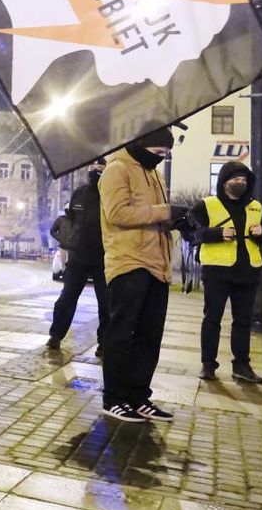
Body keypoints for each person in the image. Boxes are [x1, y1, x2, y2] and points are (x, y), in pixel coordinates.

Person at [98, 127, 189, 423]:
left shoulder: (154, 174)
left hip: (157, 264)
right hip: (129, 262)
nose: (162, 158)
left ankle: (139, 397)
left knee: (150, 335)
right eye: (159, 152)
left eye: (166, 154)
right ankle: (114, 397)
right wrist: (165, 211)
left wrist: (178, 219)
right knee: (122, 333)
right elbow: (117, 214)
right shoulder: (117, 169)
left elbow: (152, 215)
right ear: (142, 145)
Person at [189, 162, 262, 384]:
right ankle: (208, 365)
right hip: (217, 271)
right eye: (235, 180)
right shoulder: (207, 205)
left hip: (248, 271)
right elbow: (191, 231)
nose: (240, 184)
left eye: (244, 181)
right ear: (224, 182)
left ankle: (242, 366)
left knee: (243, 320)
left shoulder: (256, 206)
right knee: (212, 319)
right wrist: (215, 233)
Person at [47, 159, 111, 353]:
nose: (96, 171)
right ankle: (55, 335)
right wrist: (69, 242)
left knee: (107, 304)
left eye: (101, 168)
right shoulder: (80, 193)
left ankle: (104, 343)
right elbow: (70, 220)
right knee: (66, 299)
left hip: (104, 259)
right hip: (79, 257)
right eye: (93, 168)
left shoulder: (112, 194)